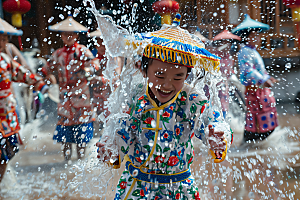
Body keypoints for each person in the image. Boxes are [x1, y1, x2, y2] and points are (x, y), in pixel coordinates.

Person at [94, 13, 233, 199]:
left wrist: (217, 136)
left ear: (187, 75)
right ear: (144, 70)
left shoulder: (191, 99)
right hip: (138, 185)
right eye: (159, 75)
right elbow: (122, 129)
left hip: (179, 187)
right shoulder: (136, 98)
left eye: (178, 77)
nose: (167, 85)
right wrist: (112, 148)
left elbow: (213, 120)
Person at [41, 14, 99, 160]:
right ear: (61, 36)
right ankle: (66, 162)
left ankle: (80, 161)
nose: (68, 37)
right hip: (64, 96)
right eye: (66, 34)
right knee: (65, 132)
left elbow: (95, 65)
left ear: (76, 36)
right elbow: (47, 68)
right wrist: (46, 77)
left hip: (81, 95)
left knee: (82, 131)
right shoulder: (58, 53)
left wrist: (85, 72)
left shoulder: (82, 50)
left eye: (71, 34)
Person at [0, 19, 47, 182]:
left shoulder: (5, 60)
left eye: (5, 39)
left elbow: (23, 73)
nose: (2, 42)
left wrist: (40, 84)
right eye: (0, 38)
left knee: (6, 153)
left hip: (6, 114)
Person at [232, 14, 278, 143]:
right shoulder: (244, 51)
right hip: (254, 89)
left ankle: (257, 138)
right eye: (254, 35)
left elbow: (259, 71)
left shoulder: (253, 51)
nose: (257, 38)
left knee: (264, 112)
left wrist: (268, 77)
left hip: (260, 89)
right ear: (247, 37)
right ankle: (251, 140)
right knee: (256, 116)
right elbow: (248, 71)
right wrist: (263, 80)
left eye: (258, 35)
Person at [211, 30, 241, 119]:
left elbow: (230, 72)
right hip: (214, 84)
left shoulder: (229, 57)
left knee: (224, 105)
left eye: (229, 43)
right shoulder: (214, 55)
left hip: (225, 85)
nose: (228, 45)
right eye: (225, 43)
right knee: (214, 104)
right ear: (220, 44)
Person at [88, 29, 111, 132]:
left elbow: (116, 77)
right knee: (97, 120)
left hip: (109, 95)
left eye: (104, 43)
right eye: (99, 44)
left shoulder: (114, 59)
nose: (102, 46)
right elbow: (90, 71)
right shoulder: (94, 59)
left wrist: (102, 79)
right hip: (96, 94)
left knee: (109, 120)